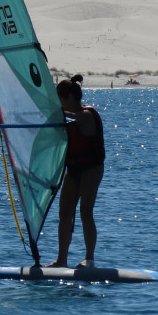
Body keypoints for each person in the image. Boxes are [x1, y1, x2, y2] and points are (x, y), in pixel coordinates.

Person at [48, 74, 105, 268]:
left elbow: (74, 117)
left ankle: (89, 259)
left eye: (60, 99)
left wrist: (53, 111)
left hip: (92, 168)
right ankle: (61, 260)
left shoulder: (86, 115)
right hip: (73, 168)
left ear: (70, 98)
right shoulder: (66, 113)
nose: (59, 103)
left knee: (85, 211)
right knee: (65, 212)